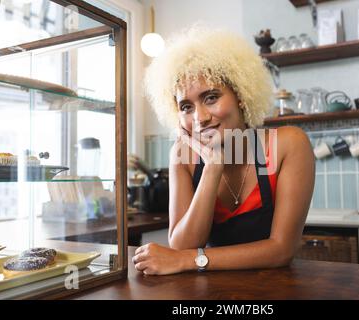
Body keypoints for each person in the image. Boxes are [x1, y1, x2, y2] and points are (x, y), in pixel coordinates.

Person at [132, 25, 315, 275]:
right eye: (186, 106)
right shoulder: (183, 155)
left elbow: (282, 250)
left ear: (240, 94)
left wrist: (188, 261)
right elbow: (183, 244)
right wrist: (212, 168)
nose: (200, 117)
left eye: (211, 98)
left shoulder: (288, 144)